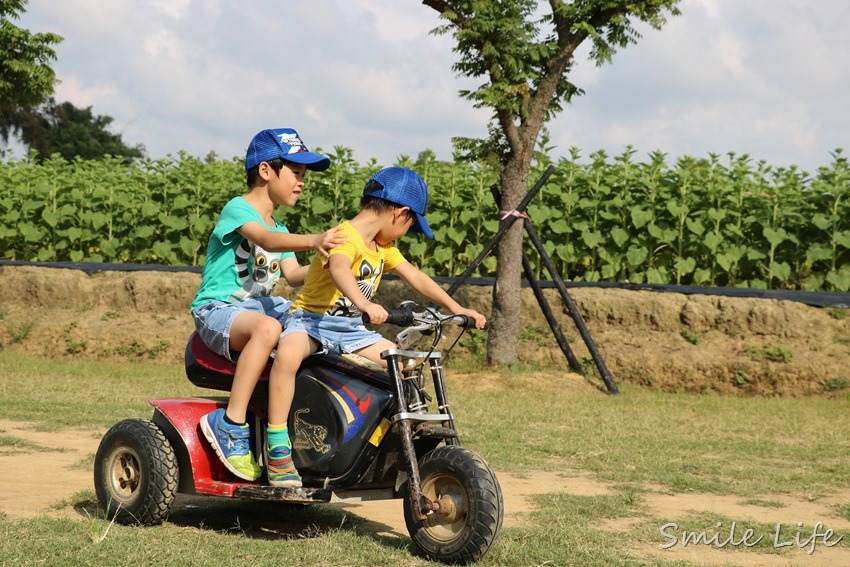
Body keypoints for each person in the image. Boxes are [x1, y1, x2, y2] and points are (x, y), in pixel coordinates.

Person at [275, 166, 487, 429]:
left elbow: (417, 277)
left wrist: (458, 308)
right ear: (400, 214)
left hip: (351, 329)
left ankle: (402, 432)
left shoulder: (383, 247)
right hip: (310, 322)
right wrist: (363, 303)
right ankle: (277, 438)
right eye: (411, 226)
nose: (407, 233)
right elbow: (340, 269)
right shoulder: (344, 236)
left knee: (403, 363)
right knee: (288, 354)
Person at [192, 127, 345, 488]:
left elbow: (293, 276)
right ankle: (230, 422)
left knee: (310, 325)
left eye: (304, 176)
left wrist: (336, 263)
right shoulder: (239, 209)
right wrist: (315, 240)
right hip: (218, 309)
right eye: (296, 173)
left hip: (262, 308)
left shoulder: (281, 226)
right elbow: (263, 238)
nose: (301, 182)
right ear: (265, 171)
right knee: (269, 329)